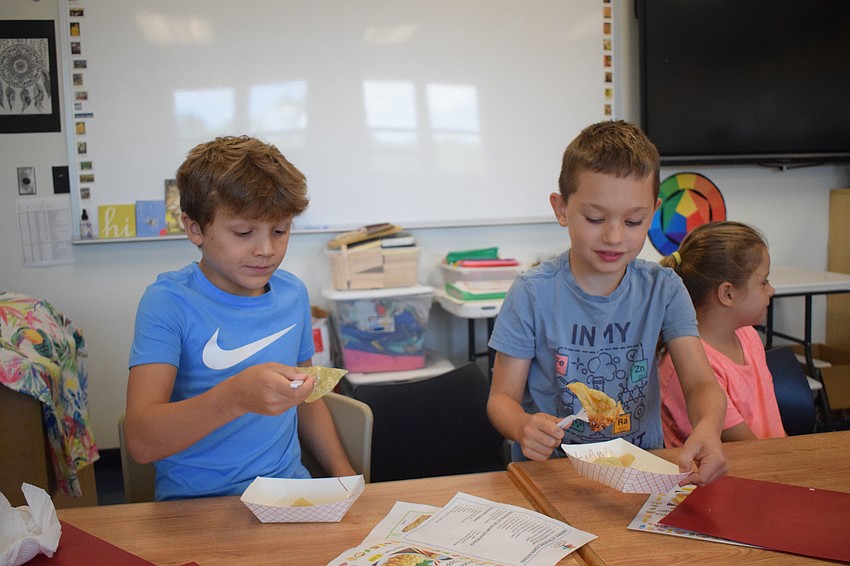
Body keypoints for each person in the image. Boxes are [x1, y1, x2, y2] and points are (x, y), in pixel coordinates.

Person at [486, 120, 728, 486]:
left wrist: (708, 428)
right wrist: (522, 426)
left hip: (641, 469)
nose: (614, 236)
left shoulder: (663, 289)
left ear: (654, 211)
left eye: (634, 221)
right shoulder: (532, 293)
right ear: (562, 208)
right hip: (556, 473)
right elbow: (501, 398)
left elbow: (700, 384)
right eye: (595, 218)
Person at [124, 136, 355, 500]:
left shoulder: (292, 294)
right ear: (195, 228)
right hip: (196, 507)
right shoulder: (168, 302)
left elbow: (306, 400)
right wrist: (234, 397)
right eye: (244, 232)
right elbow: (140, 440)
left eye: (280, 230)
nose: (266, 249)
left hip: (289, 495)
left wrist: (347, 481)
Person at [658, 221, 786, 446]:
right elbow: (745, 448)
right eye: (764, 282)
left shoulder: (748, 335)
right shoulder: (687, 363)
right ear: (727, 294)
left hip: (766, 463)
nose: (771, 290)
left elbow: (772, 427)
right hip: (730, 473)